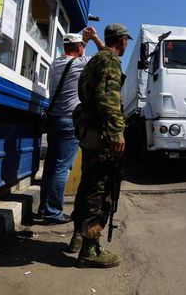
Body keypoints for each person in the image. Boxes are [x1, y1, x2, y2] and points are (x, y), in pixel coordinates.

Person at [69, 23, 132, 268]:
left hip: (89, 133)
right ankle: (90, 249)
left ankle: (77, 235)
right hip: (102, 134)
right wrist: (117, 133)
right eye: (126, 39)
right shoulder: (111, 62)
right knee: (100, 189)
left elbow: (87, 94)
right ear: (122, 40)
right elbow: (108, 100)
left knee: (87, 185)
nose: (127, 43)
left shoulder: (95, 60)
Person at [38, 27, 104, 224]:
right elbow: (106, 55)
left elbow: (76, 48)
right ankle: (52, 213)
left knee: (50, 167)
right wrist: (94, 38)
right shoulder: (80, 63)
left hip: (54, 120)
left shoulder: (56, 63)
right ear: (78, 48)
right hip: (69, 122)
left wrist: (82, 39)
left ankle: (44, 208)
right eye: (81, 46)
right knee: (62, 168)